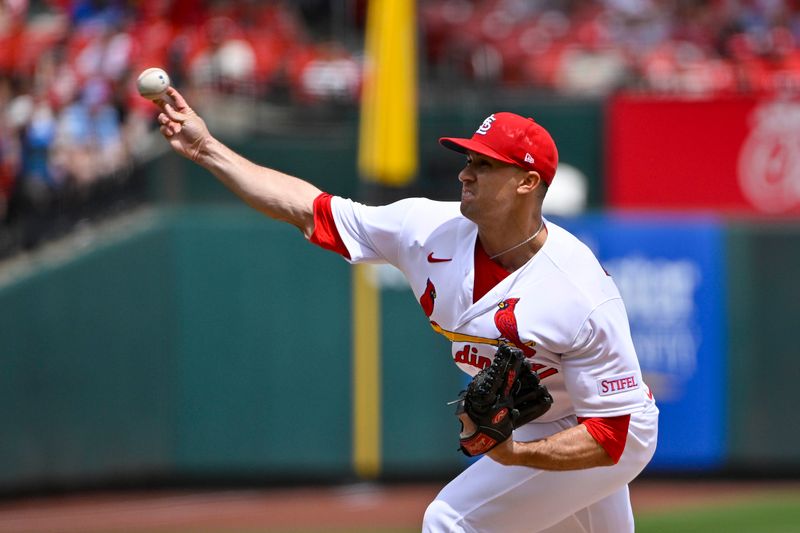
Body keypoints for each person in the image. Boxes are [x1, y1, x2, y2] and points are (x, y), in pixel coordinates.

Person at [154, 87, 658, 533]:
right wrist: (207, 149)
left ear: (527, 183)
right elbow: (309, 208)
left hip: (605, 433)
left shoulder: (579, 292)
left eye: (484, 164)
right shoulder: (426, 229)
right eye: (467, 160)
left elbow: (611, 434)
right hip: (540, 420)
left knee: (450, 520)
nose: (465, 173)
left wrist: (516, 455)